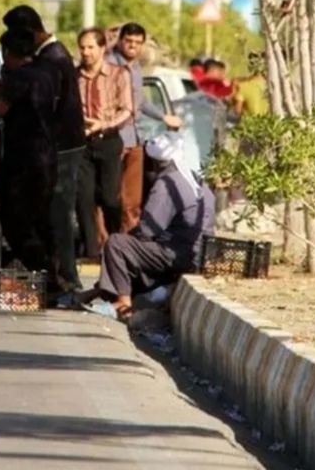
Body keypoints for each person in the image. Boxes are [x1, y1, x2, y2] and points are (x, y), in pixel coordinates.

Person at [79, 131, 216, 322]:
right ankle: (100, 292)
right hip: (198, 254)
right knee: (132, 250)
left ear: (156, 162)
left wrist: (134, 240)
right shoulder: (195, 180)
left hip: (177, 254)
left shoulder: (168, 183)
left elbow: (148, 230)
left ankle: (122, 303)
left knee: (117, 244)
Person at [2, 5, 85, 294]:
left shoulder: (52, 59)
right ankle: (56, 276)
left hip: (60, 146)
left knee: (57, 215)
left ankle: (64, 277)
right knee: (47, 215)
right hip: (54, 146)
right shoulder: (49, 58)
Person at [0, 28, 58, 280]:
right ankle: (53, 277)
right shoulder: (45, 75)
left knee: (14, 220)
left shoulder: (17, 78)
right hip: (47, 158)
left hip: (23, 161)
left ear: (7, 53)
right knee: (40, 219)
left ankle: (43, 274)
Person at [107, 22, 182, 233]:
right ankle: (103, 245)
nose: (132, 46)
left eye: (137, 43)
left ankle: (128, 243)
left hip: (136, 139)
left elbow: (140, 101)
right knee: (110, 198)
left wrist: (163, 117)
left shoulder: (136, 67)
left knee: (133, 200)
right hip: (113, 138)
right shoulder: (108, 65)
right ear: (120, 41)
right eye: (128, 41)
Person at [75, 27, 133, 260]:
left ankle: (115, 245)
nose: (86, 52)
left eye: (90, 47)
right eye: (82, 47)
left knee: (110, 198)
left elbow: (128, 109)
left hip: (108, 140)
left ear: (101, 49)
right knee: (84, 198)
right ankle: (91, 252)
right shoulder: (74, 75)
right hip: (83, 143)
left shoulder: (119, 74)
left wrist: (104, 123)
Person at [233, 52, 270, 118]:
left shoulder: (243, 86)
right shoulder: (273, 87)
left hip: (250, 125)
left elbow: (237, 111)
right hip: (272, 125)